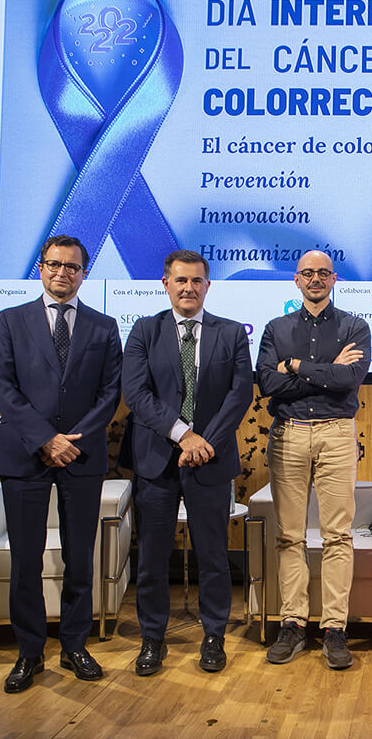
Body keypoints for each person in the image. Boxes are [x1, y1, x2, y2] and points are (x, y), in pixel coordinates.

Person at [0, 234, 122, 694]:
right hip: (25, 454)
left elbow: (110, 393)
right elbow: (4, 388)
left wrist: (70, 441)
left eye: (72, 266)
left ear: (84, 272)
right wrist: (45, 439)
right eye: (54, 265)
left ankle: (74, 645)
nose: (63, 273)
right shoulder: (10, 320)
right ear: (40, 268)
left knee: (79, 556)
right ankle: (29, 653)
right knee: (25, 558)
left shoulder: (105, 327)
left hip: (82, 455)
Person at [122, 249, 253, 676]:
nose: (189, 288)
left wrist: (204, 443)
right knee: (153, 557)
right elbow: (137, 395)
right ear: (166, 284)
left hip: (210, 461)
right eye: (181, 281)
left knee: (214, 556)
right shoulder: (144, 331)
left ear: (208, 285)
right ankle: (152, 637)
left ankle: (214, 635)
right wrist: (184, 436)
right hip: (156, 461)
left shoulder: (232, 333)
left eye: (197, 281)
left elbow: (239, 395)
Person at [256, 250, 371, 670]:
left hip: (337, 434)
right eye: (308, 273)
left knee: (338, 535)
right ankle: (293, 624)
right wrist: (324, 371)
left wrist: (297, 366)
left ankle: (335, 628)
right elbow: (268, 383)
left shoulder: (355, 326)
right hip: (288, 435)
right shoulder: (275, 328)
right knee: (290, 535)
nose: (316, 279)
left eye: (323, 273)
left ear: (334, 278)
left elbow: (348, 381)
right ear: (296, 280)